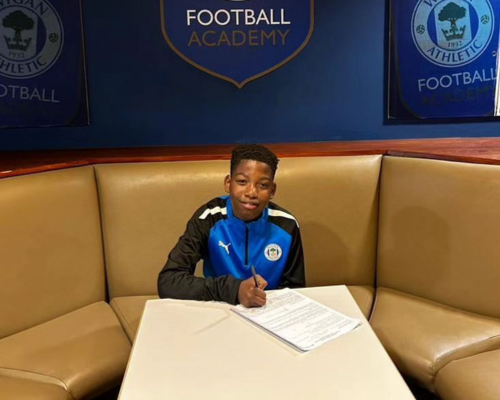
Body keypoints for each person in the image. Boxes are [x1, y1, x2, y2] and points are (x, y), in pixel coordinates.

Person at [157, 144, 305, 307]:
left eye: (263, 185)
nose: (251, 192)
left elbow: (295, 291)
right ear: (228, 183)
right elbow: (168, 281)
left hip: (267, 311)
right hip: (219, 306)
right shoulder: (208, 218)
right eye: (242, 182)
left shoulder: (287, 225)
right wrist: (235, 290)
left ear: (272, 190)